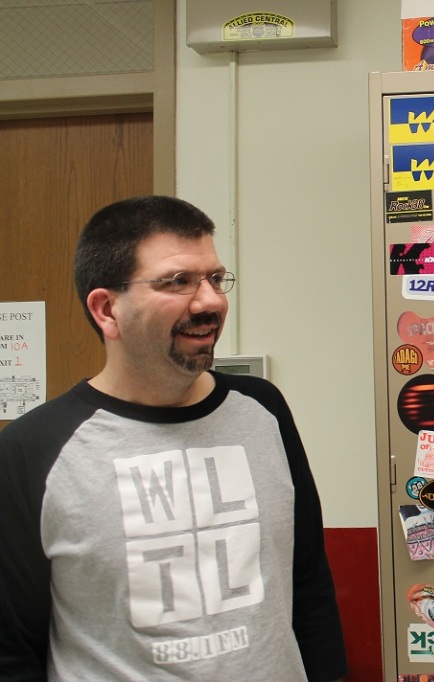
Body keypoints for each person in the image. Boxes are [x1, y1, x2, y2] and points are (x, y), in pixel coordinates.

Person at [0, 196, 347, 681]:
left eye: (214, 279)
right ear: (106, 309)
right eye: (178, 282)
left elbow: (307, 582)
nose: (209, 301)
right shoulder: (35, 447)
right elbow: (10, 648)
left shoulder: (262, 410)